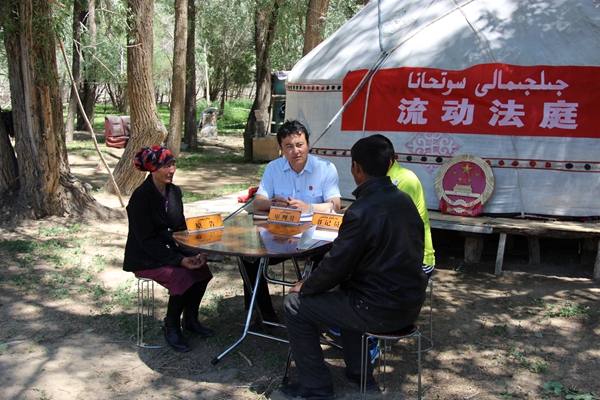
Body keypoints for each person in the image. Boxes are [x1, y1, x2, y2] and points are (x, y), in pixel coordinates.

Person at [278, 135, 428, 400]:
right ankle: (360, 374)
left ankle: (315, 387)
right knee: (348, 293)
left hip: (378, 309)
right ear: (390, 163)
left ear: (356, 167)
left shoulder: (360, 211)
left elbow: (336, 266)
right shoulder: (405, 200)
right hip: (411, 304)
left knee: (293, 305)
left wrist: (306, 285)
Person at [243, 120, 341, 328]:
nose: (295, 151)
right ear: (281, 149)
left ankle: (311, 313)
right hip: (280, 237)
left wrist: (308, 207)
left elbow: (335, 205)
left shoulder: (325, 168)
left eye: (299, 144)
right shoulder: (273, 168)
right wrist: (273, 204)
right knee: (248, 257)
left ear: (308, 144)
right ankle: (264, 315)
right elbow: (258, 203)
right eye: (288, 146)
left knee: (328, 257)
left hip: (314, 239)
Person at [123, 145, 214, 353]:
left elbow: (180, 228)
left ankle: (190, 319)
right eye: (166, 166)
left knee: (202, 271)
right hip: (145, 256)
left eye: (173, 165)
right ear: (152, 168)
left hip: (169, 250)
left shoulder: (174, 192)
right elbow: (146, 241)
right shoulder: (140, 197)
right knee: (181, 276)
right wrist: (179, 260)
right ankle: (171, 326)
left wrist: (195, 252)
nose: (172, 170)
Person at [375, 134, 435, 276]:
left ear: (389, 161)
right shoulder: (379, 178)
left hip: (416, 259)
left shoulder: (405, 179)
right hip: (392, 256)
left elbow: (389, 223)